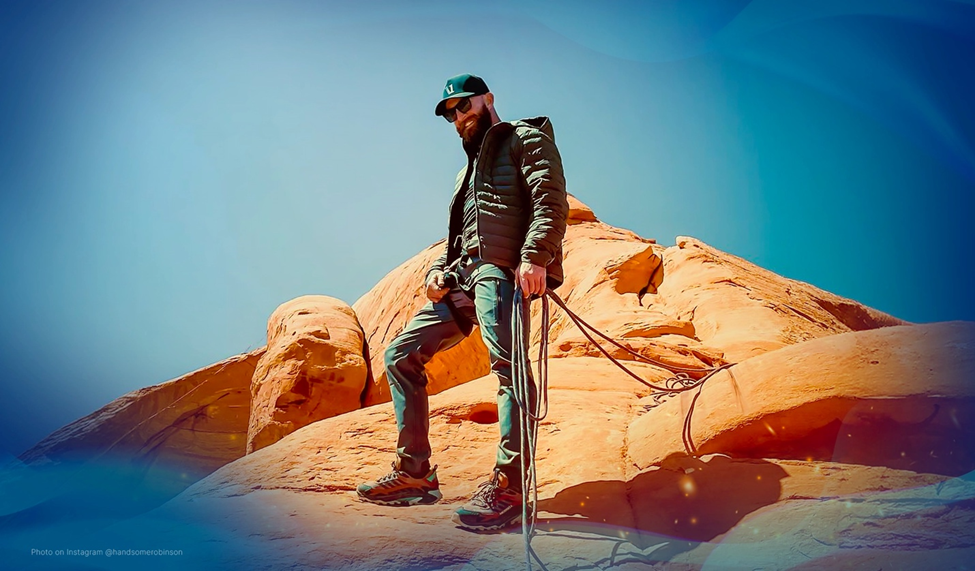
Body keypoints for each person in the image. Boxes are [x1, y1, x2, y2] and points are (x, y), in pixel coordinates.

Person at [356, 73, 568, 531]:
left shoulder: (525, 138)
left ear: (488, 99)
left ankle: (510, 486)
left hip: (501, 270)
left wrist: (534, 257)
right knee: (399, 356)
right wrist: (438, 271)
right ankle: (415, 474)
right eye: (449, 113)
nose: (457, 117)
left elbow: (550, 201)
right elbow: (458, 236)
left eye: (463, 105)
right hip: (462, 278)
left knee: (509, 367)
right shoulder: (465, 172)